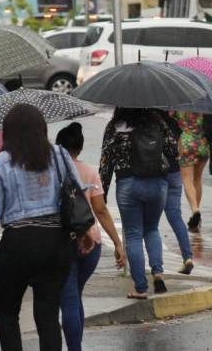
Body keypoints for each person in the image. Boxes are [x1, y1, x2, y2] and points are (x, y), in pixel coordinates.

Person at [0, 105, 93, 351]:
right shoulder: (59, 154)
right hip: (56, 243)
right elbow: (78, 194)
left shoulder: (1, 162)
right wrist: (85, 232)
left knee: (8, 313)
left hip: (18, 244)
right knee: (47, 316)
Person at [55, 123, 125, 351]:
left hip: (63, 241)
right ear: (80, 146)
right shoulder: (89, 171)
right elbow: (101, 211)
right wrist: (117, 243)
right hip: (91, 242)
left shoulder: (51, 172)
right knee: (75, 295)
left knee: (69, 300)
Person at [99, 108, 177, 299]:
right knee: (152, 229)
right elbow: (173, 150)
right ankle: (158, 274)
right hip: (157, 183)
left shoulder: (114, 127)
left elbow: (106, 162)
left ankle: (141, 288)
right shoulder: (157, 121)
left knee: (133, 235)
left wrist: (103, 192)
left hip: (128, 184)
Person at [160, 112, 194, 275]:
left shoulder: (148, 122)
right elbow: (179, 151)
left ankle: (155, 266)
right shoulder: (173, 122)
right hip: (174, 173)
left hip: (156, 174)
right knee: (175, 216)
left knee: (150, 224)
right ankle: (187, 257)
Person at [171, 111, 209, 232]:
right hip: (202, 143)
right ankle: (196, 213)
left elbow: (169, 119)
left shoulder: (177, 104)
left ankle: (195, 210)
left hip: (185, 143)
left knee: (187, 180)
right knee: (197, 179)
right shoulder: (203, 102)